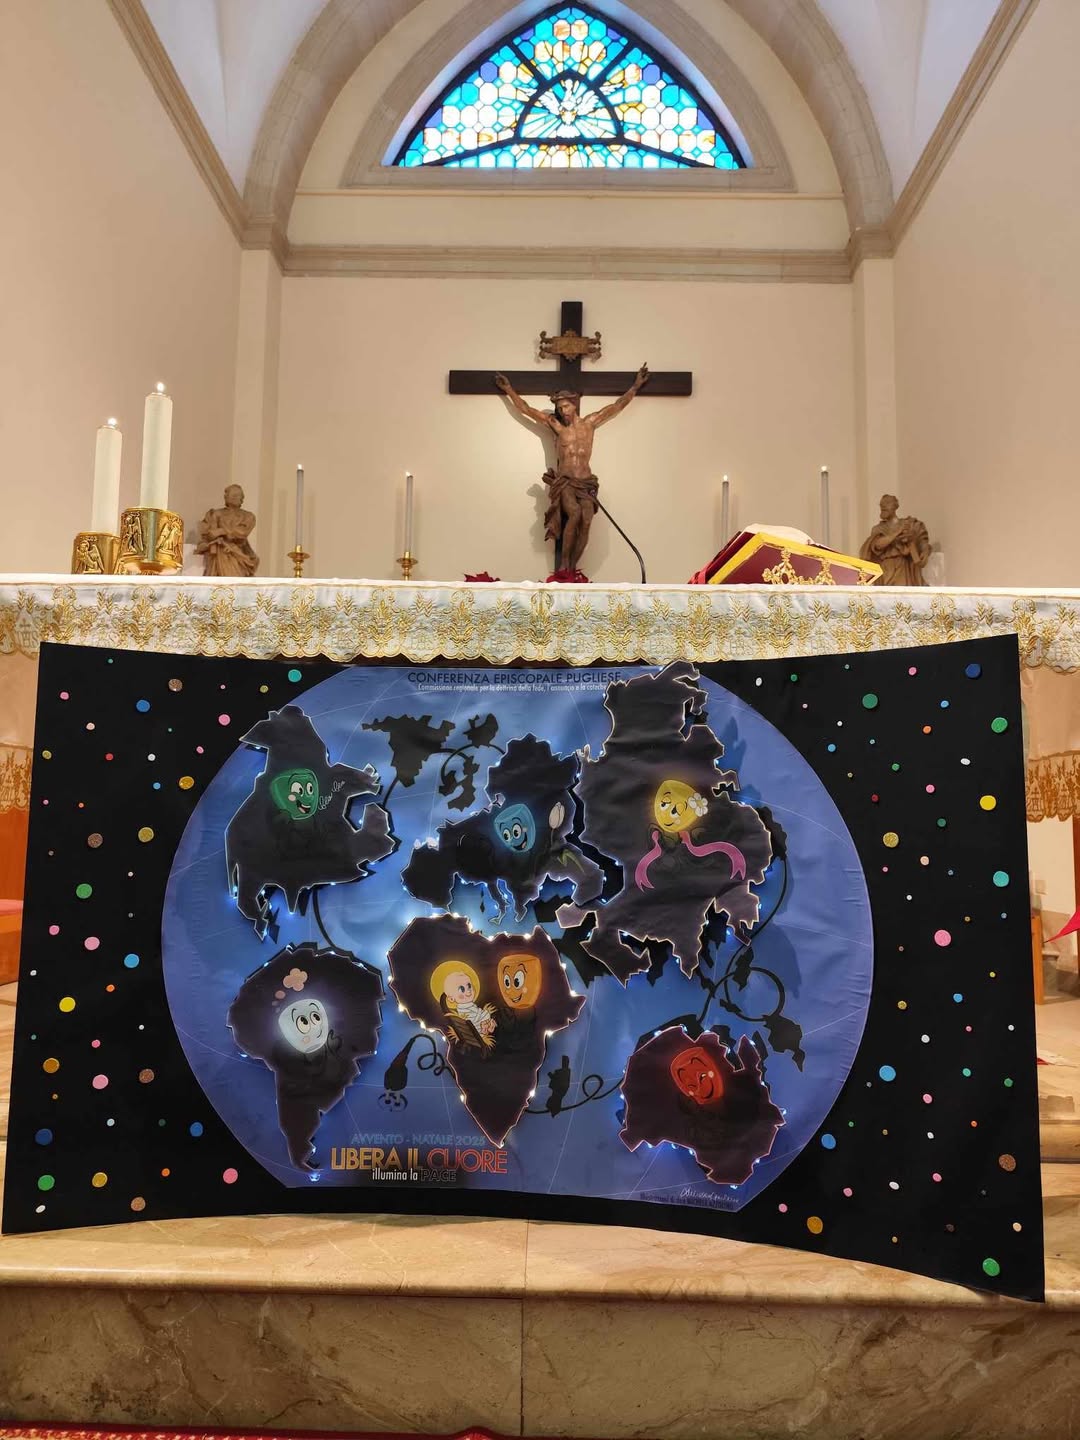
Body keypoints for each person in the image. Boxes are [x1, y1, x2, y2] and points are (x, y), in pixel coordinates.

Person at [494, 365, 649, 575]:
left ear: (574, 405)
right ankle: (564, 563)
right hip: (566, 481)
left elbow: (617, 406)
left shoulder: (590, 423)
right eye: (559, 408)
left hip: (586, 482)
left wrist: (636, 386)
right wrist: (508, 390)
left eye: (566, 406)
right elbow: (527, 409)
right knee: (574, 513)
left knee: (587, 520)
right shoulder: (556, 426)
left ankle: (572, 568)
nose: (562, 411)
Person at [860, 493, 930, 586]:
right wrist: (898, 532)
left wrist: (924, 550)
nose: (883, 506)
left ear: (895, 506)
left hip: (904, 567)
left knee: (903, 591)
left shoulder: (909, 524)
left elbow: (921, 539)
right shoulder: (878, 528)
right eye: (881, 504)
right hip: (886, 568)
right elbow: (878, 545)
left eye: (887, 503)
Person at [196, 484, 258, 577]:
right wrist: (212, 536)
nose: (233, 498)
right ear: (225, 497)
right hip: (219, 554)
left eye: (236, 495)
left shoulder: (248, 516)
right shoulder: (216, 514)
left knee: (236, 580)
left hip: (238, 553)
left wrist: (222, 531)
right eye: (231, 495)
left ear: (242, 498)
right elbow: (209, 534)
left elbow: (242, 532)